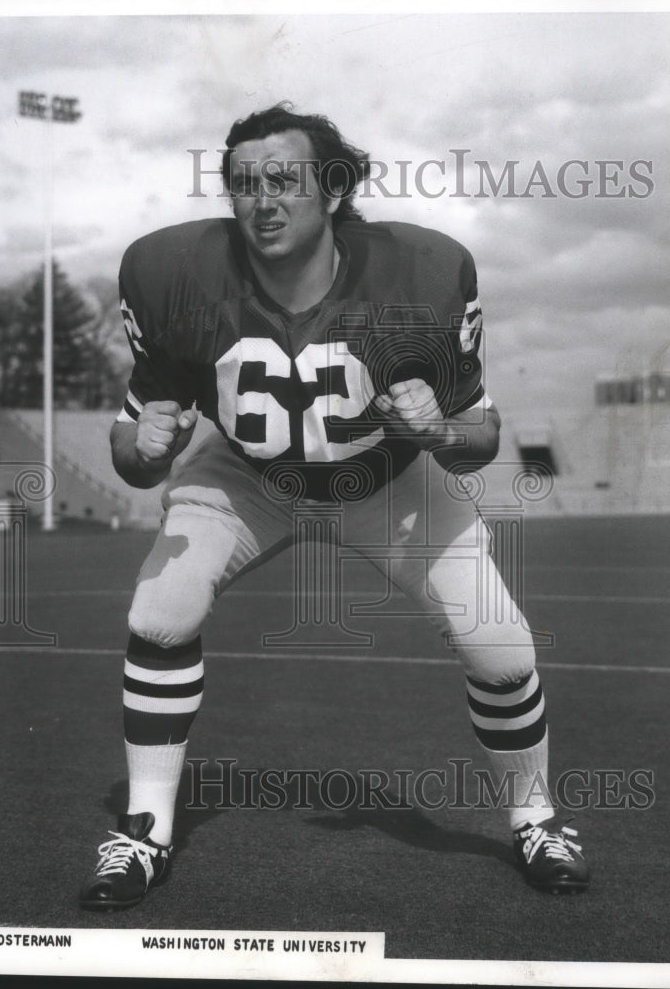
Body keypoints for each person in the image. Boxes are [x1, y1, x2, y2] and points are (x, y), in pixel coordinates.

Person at [79, 103, 590, 910]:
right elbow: (134, 452)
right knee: (159, 611)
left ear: (335, 189)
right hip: (248, 476)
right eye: (243, 184)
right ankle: (143, 828)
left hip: (385, 479)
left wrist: (439, 426)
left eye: (284, 179)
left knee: (500, 646)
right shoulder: (173, 272)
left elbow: (480, 436)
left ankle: (536, 818)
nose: (262, 200)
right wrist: (143, 450)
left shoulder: (418, 274)